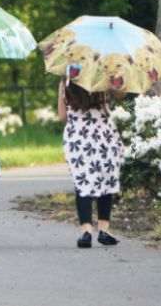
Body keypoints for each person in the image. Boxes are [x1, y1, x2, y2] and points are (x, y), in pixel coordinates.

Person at [57, 75, 123, 248]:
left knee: (83, 182)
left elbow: (62, 116)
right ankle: (104, 229)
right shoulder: (103, 76)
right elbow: (120, 95)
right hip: (103, 134)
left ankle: (86, 231)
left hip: (77, 136)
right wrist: (115, 84)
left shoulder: (67, 81)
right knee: (105, 179)